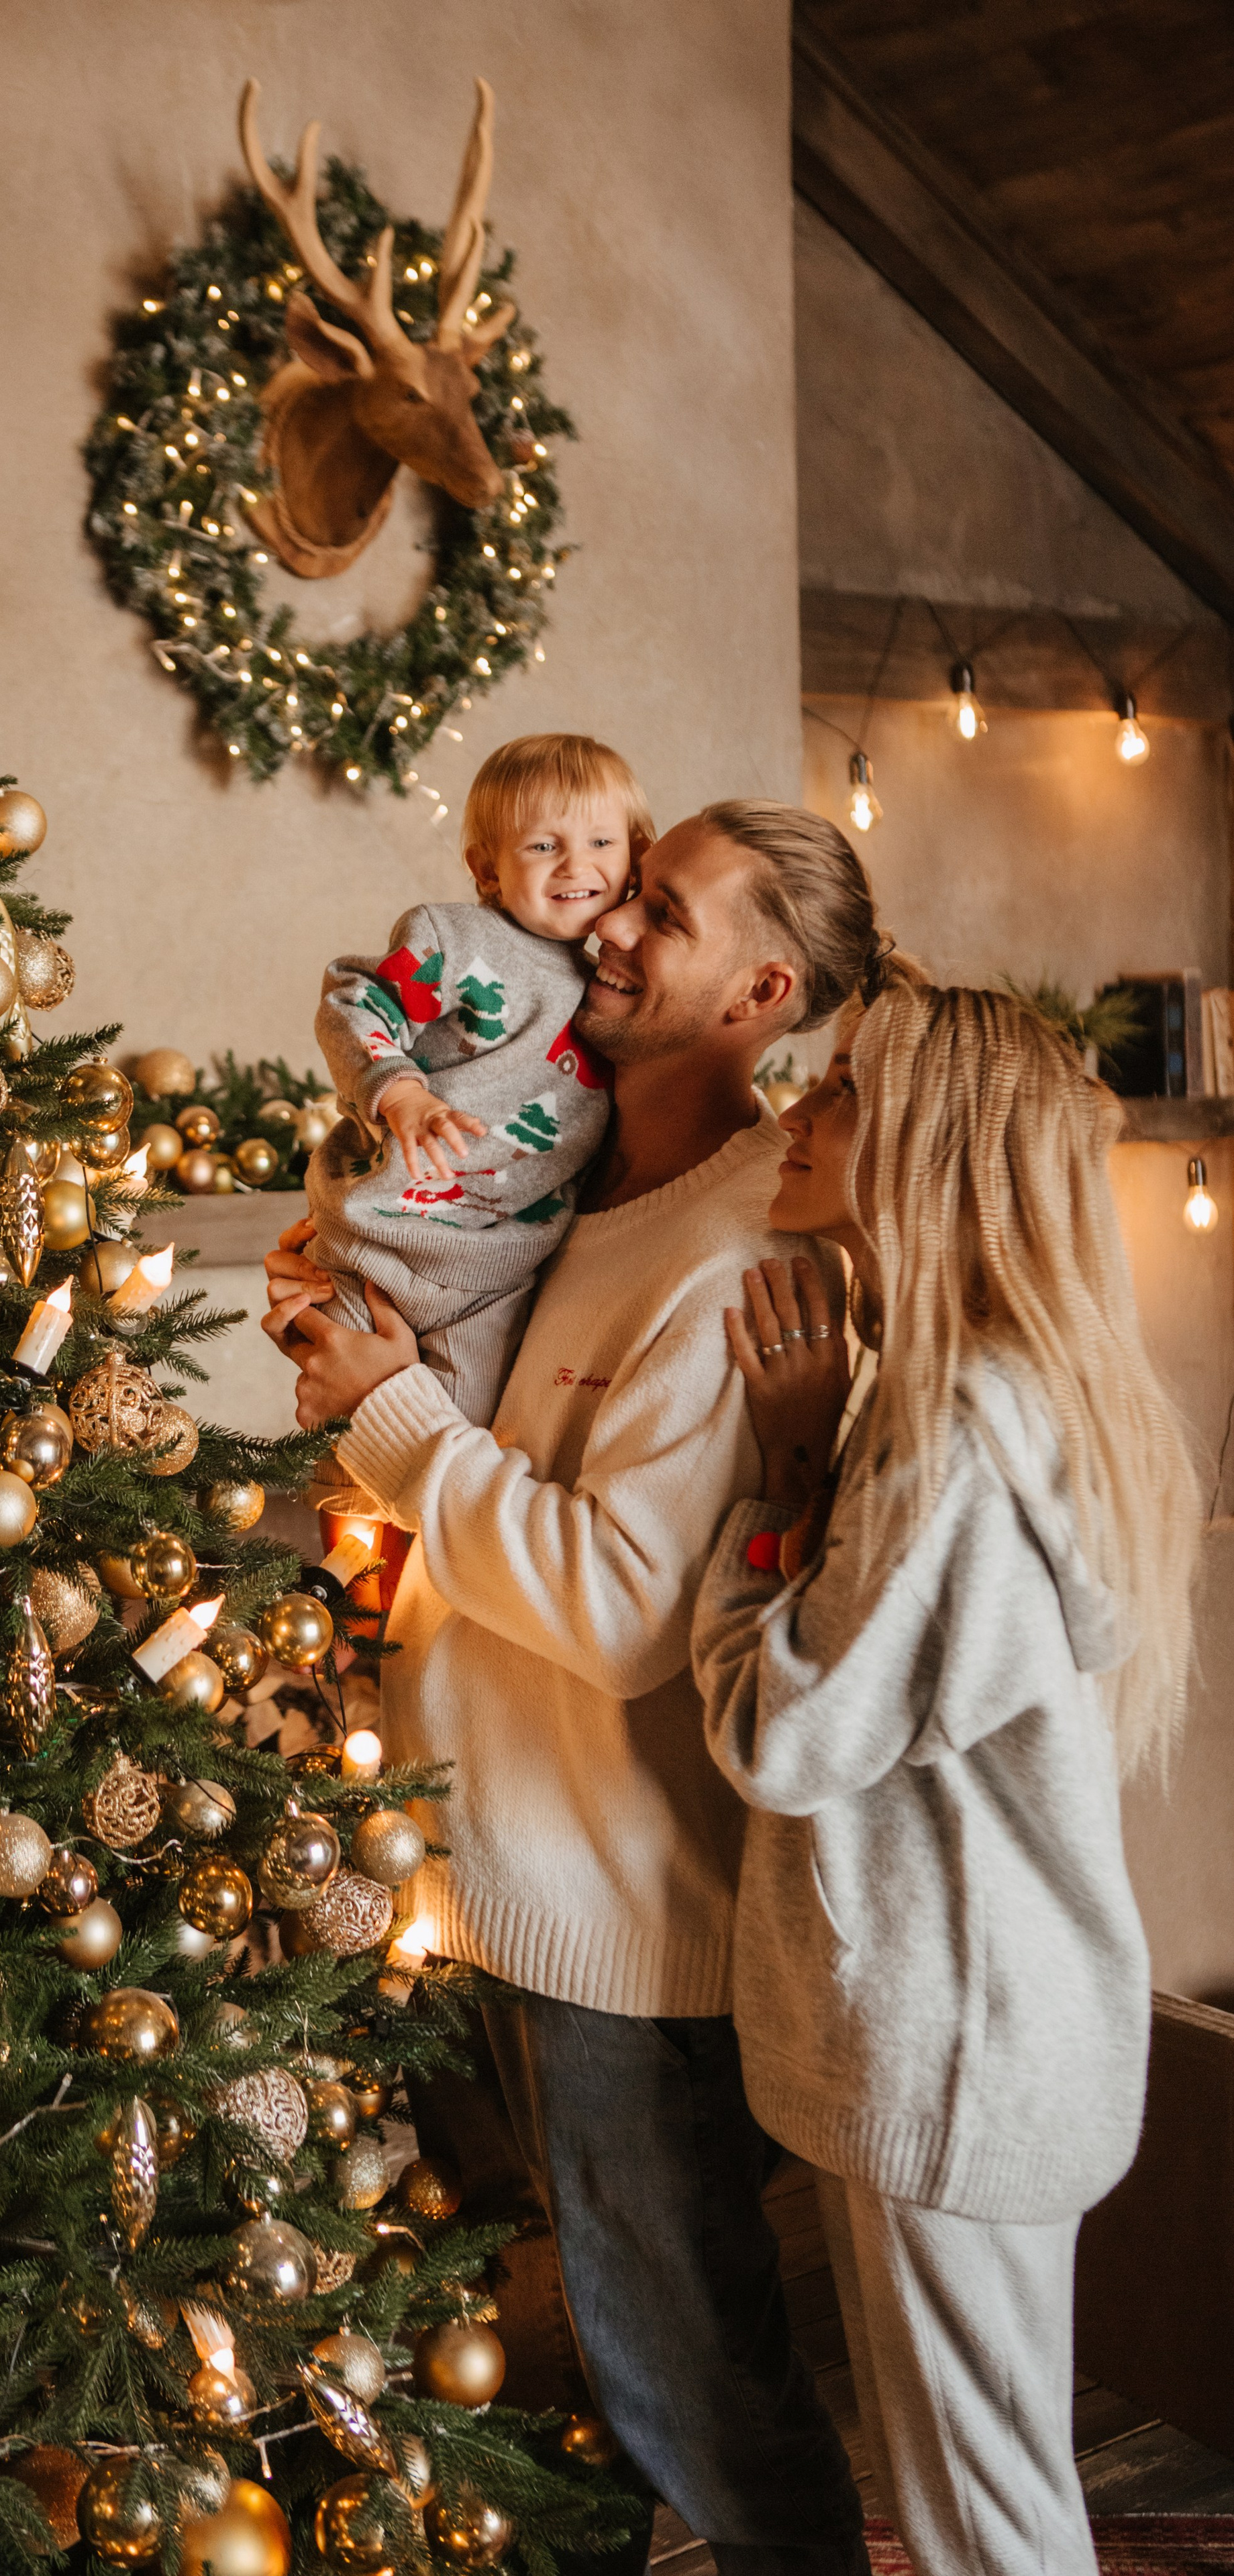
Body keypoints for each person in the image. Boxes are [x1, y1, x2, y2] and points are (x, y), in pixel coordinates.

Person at [264, 800, 887, 2575]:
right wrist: (355, 1321)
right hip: (494, 1879)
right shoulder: (585, 1183)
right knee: (596, 2386)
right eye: (618, 891)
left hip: (622, 1921)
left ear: (759, 994)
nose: (605, 923)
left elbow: (617, 1610)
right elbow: (439, 1366)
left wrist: (399, 1420)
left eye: (657, 913)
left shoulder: (749, 1245)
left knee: (690, 2381)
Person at [691, 978, 1200, 2576]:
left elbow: (785, 1732)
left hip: (952, 2045)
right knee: (979, 2485)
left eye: (837, 1089)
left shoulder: (961, 1426)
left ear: (932, 1141)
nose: (793, 1111)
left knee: (983, 2519)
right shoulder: (978, 1392)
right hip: (977, 2028)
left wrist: (775, 1482)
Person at [306, 732, 649, 1442]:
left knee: (447, 1444)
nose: (575, 865)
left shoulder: (619, 989)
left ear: (636, 856)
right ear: (487, 868)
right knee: (339, 1441)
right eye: (542, 846)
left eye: (600, 843)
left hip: (495, 1280)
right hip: (377, 1240)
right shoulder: (457, 940)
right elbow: (353, 1001)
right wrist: (398, 1090)